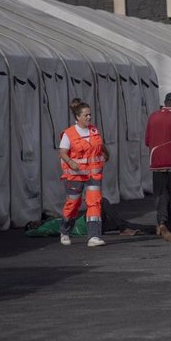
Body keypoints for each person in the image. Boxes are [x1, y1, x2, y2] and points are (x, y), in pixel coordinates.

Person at [58, 98, 110, 247]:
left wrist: (106, 152)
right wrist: (70, 162)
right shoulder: (69, 134)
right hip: (75, 175)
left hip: (93, 175)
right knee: (73, 204)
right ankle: (65, 230)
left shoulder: (94, 130)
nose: (89, 118)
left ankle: (94, 236)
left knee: (94, 202)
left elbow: (99, 144)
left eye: (90, 115)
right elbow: (62, 152)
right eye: (86, 115)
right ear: (77, 117)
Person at [145, 92, 171, 242]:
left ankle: (161, 222)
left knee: (160, 194)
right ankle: (170, 227)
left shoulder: (153, 116)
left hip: (155, 162)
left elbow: (147, 140)